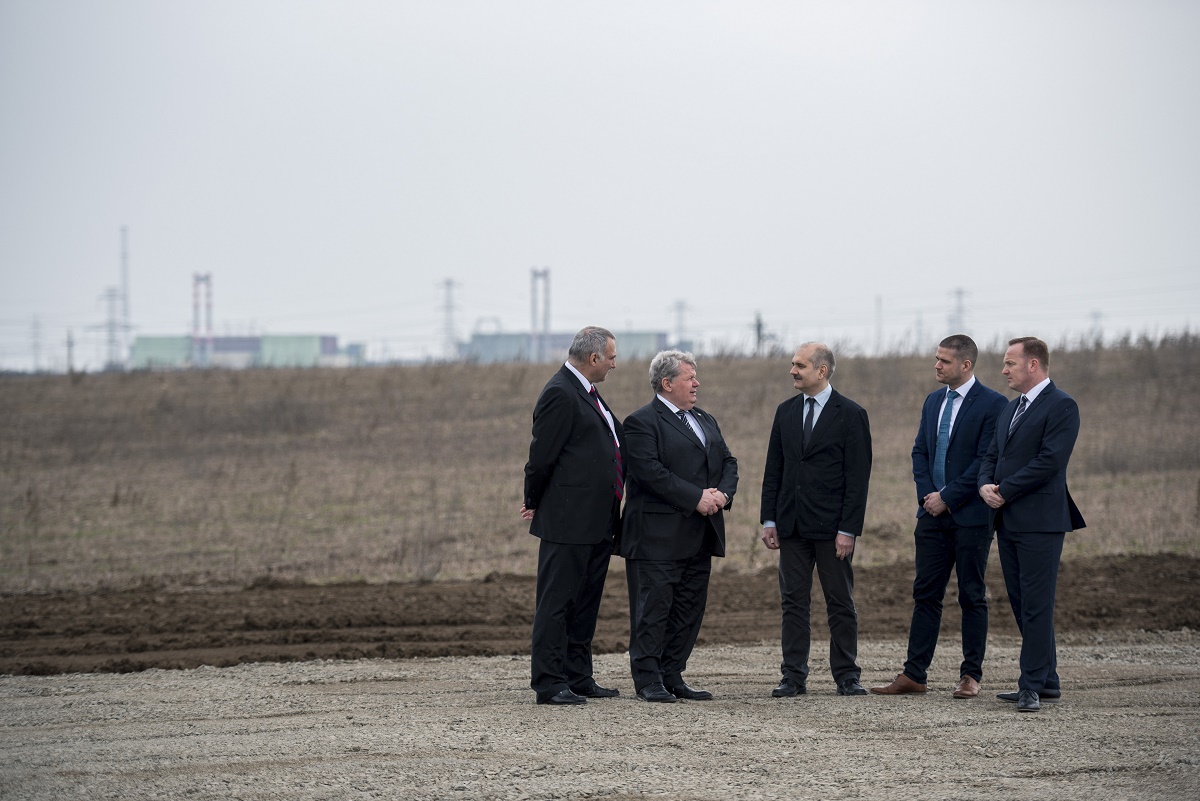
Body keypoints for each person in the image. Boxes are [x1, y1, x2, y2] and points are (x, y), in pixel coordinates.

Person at [871, 335, 1007, 699]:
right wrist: (928, 496)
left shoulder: (993, 404)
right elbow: (920, 452)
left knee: (971, 594)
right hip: (931, 515)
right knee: (925, 593)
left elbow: (986, 459)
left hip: (971, 516)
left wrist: (947, 497)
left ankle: (971, 676)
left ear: (965, 365)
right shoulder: (933, 401)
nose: (937, 365)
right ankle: (914, 674)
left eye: (944, 361)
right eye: (936, 358)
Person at [619, 350, 739, 703]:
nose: (697, 383)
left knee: (688, 608)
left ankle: (672, 674)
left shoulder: (704, 419)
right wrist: (695, 497)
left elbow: (728, 461)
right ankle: (648, 679)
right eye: (689, 377)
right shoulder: (641, 422)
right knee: (653, 610)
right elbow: (649, 472)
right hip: (656, 538)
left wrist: (722, 495)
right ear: (667, 383)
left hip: (700, 533)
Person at [978, 336, 1086, 712]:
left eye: (1010, 363)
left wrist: (1004, 490)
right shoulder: (1011, 408)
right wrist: (984, 485)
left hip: (1041, 521)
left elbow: (1050, 461)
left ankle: (1030, 685)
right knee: (1022, 602)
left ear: (1033, 365)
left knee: (1037, 604)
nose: (1004, 370)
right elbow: (992, 455)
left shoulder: (1062, 405)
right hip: (1007, 520)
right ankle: (1048, 681)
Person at [521, 326, 625, 705]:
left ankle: (579, 677)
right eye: (611, 357)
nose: (614, 364)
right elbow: (541, 456)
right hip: (567, 521)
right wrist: (533, 499)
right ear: (594, 358)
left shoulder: (587, 392)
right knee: (558, 603)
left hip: (596, 520)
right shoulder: (560, 392)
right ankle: (549, 682)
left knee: (584, 603)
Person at [760, 342, 872, 697]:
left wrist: (848, 529)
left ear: (822, 371)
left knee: (840, 601)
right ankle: (793, 677)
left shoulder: (851, 414)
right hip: (791, 527)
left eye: (800, 365)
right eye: (793, 364)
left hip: (832, 529)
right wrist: (769, 520)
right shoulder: (786, 411)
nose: (792, 370)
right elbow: (774, 469)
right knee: (793, 602)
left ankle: (847, 676)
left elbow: (858, 478)